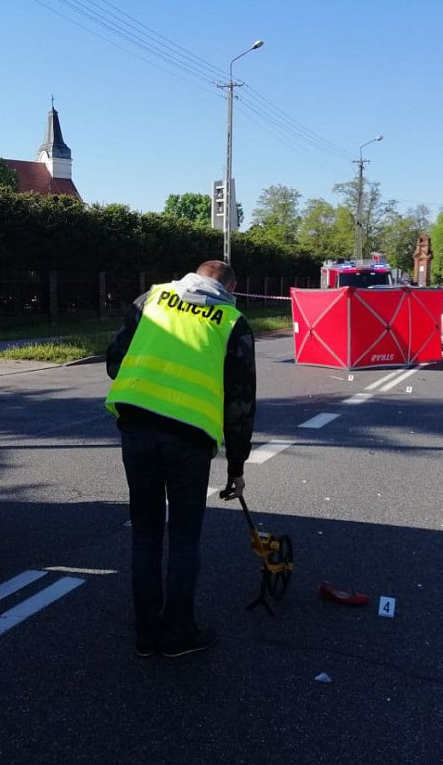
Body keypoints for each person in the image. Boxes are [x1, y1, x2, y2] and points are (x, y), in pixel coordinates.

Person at [105, 260, 256, 658]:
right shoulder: (231, 321)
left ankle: (146, 634)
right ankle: (178, 632)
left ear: (193, 276)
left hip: (136, 428)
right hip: (188, 439)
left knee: (146, 533)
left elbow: (114, 361)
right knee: (185, 539)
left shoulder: (150, 298)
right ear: (230, 287)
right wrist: (236, 467)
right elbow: (240, 403)